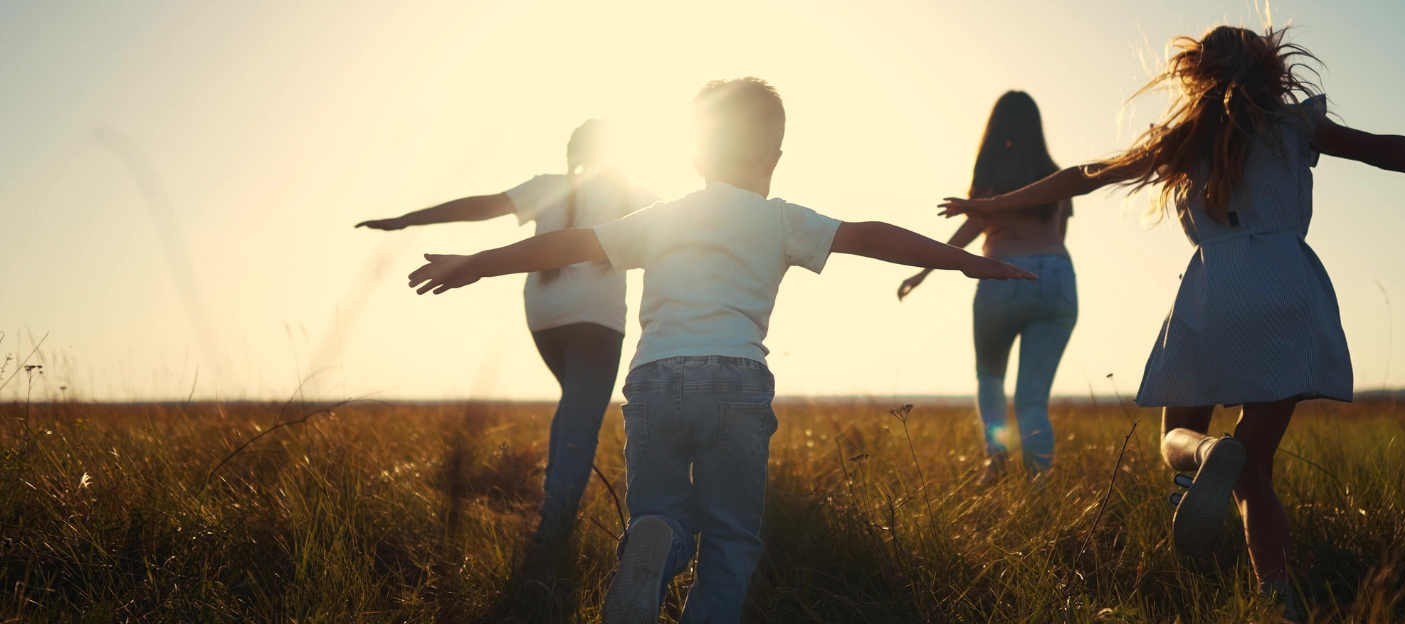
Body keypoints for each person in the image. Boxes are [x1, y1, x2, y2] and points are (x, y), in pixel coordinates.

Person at [937, 25, 1405, 620]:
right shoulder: (1297, 125)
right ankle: (1276, 600)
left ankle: (1208, 453)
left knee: (1174, 441)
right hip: (1289, 285)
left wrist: (992, 203)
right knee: (1254, 469)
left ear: (1197, 74)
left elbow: (1086, 176)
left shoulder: (1183, 137)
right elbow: (1391, 150)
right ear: (1268, 67)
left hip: (1218, 288)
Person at [406, 77, 1037, 624]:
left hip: (652, 384)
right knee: (732, 539)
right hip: (736, 382)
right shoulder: (781, 219)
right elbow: (871, 236)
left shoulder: (662, 216)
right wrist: (962, 263)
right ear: (776, 156)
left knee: (659, 514)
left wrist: (478, 262)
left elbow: (568, 244)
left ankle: (656, 541)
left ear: (695, 153)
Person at [357, 120, 658, 549]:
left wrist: (407, 220)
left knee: (574, 406)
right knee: (580, 417)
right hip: (598, 321)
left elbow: (480, 206)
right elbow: (689, 225)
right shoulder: (638, 198)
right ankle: (552, 536)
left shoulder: (548, 187)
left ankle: (551, 518)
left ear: (573, 153)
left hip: (544, 318)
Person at [898, 91, 1075, 483]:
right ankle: (1038, 485)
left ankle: (994, 463)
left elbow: (967, 232)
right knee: (1033, 399)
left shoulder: (994, 179)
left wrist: (922, 272)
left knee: (991, 378)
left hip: (1003, 275)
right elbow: (1059, 235)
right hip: (1057, 278)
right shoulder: (1056, 177)